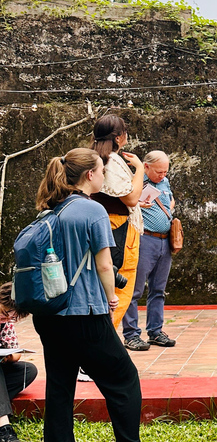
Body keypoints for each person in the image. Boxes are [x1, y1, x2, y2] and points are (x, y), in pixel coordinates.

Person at [32, 148, 142, 442]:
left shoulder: (51, 208)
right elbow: (105, 263)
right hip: (84, 313)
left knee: (60, 387)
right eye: (103, 171)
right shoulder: (93, 210)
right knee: (124, 380)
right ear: (90, 175)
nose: (104, 176)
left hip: (49, 314)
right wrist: (112, 298)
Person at [90, 114, 144, 331]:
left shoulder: (93, 157)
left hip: (107, 224)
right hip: (119, 228)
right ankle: (104, 341)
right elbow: (131, 198)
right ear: (120, 137)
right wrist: (140, 168)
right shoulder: (112, 160)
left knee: (105, 285)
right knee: (120, 286)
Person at [123, 151, 177, 350]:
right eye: (158, 172)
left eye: (165, 172)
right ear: (146, 166)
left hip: (164, 240)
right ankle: (131, 334)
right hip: (144, 238)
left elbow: (170, 201)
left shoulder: (165, 182)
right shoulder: (136, 181)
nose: (162, 175)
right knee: (135, 289)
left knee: (158, 289)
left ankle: (155, 331)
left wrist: (170, 207)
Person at [0, 283, 37, 442]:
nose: (6, 318)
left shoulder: (6, 322)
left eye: (11, 317)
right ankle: (4, 427)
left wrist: (9, 357)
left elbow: (14, 350)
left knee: (29, 370)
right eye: (4, 313)